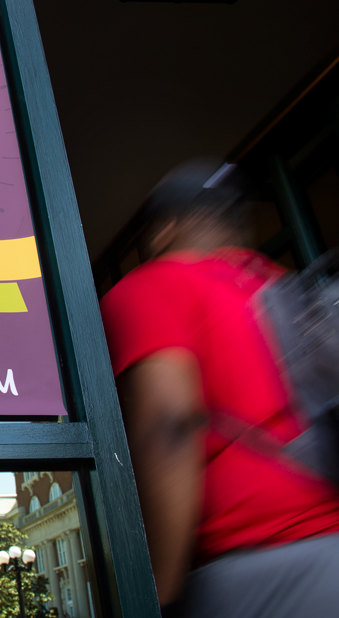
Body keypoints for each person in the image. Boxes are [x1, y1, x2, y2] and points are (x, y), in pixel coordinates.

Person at [100, 160, 339, 617]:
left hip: (261, 572)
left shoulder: (152, 286)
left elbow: (170, 426)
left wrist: (157, 595)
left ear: (164, 229)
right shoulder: (280, 287)